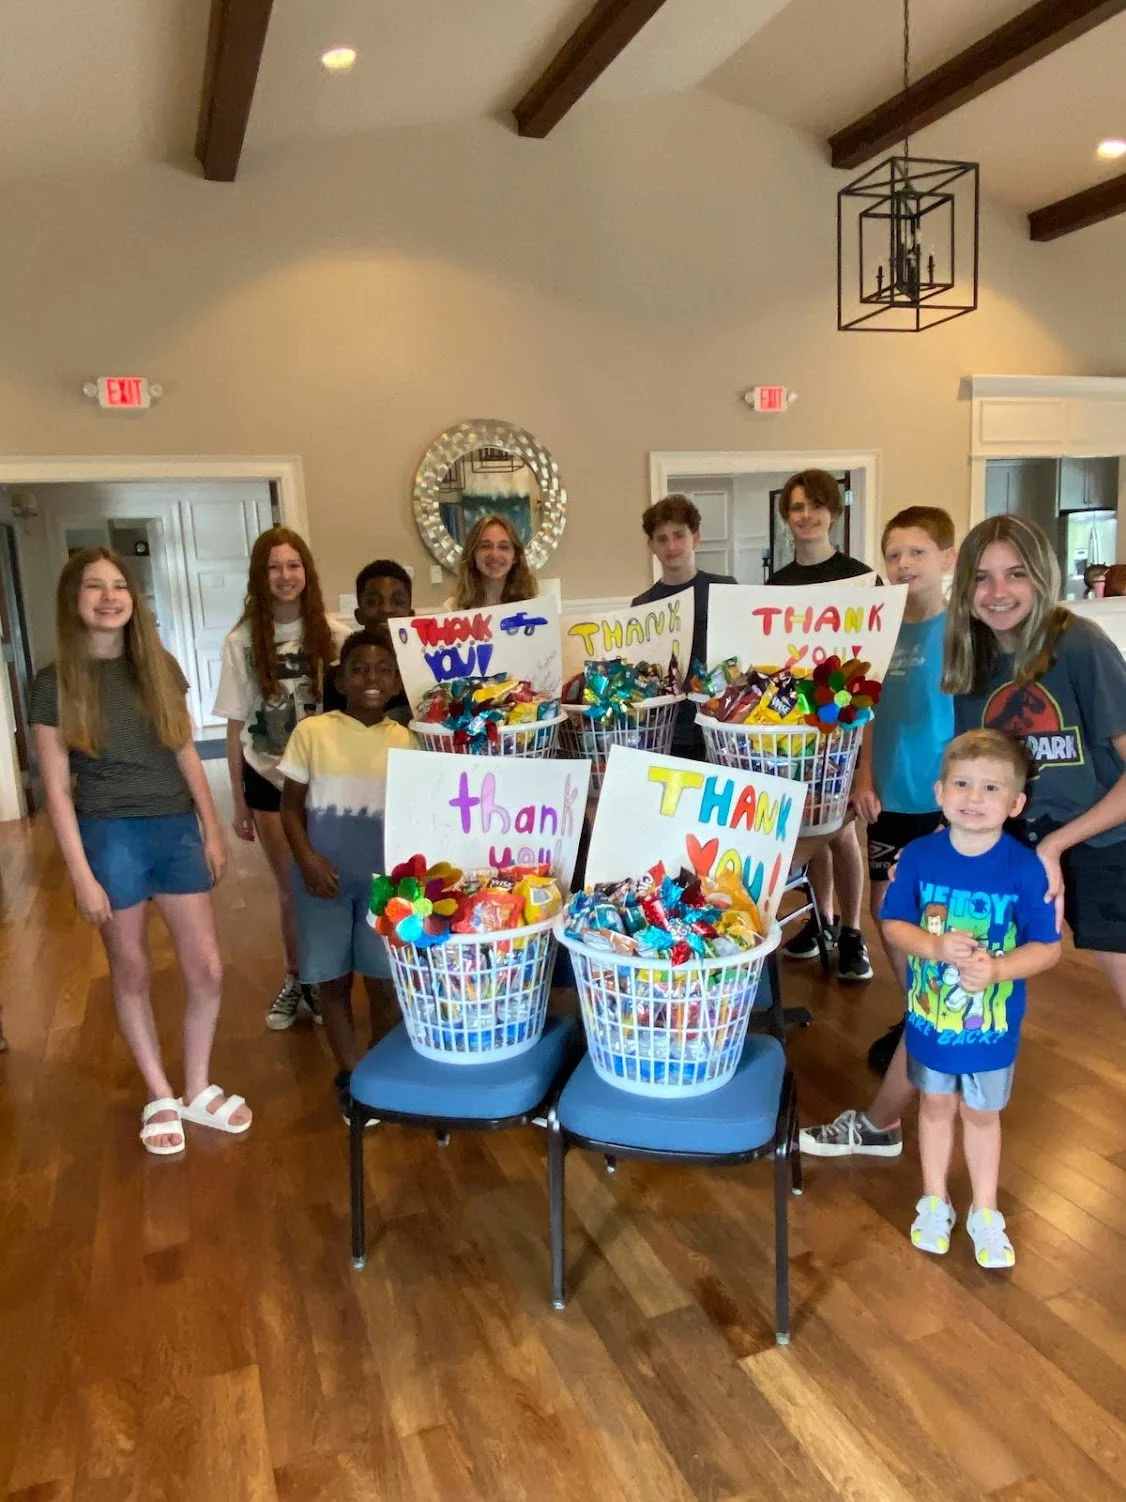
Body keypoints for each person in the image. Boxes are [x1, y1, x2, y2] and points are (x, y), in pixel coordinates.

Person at [800, 512, 1126, 1161]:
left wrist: (1058, 848)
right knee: (939, 990)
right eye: (983, 577)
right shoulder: (971, 660)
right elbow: (981, 772)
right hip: (1010, 848)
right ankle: (882, 1122)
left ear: (1042, 575)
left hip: (1101, 846)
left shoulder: (1080, 645)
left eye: (1015, 574)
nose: (998, 591)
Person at [30, 549, 250, 1156]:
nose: (109, 596)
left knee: (205, 966)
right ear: (74, 599)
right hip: (109, 833)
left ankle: (197, 1087)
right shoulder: (54, 684)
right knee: (130, 969)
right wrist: (81, 876)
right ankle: (160, 1092)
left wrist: (211, 826)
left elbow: (185, 753)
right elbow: (55, 789)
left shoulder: (160, 668)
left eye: (119, 585)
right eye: (95, 587)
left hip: (175, 825)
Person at [802, 506, 956, 1158]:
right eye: (894, 553)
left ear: (947, 558)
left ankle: (940, 1023)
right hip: (887, 794)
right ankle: (920, 1011)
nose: (903, 565)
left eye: (917, 552)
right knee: (891, 910)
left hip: (949, 802)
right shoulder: (881, 626)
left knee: (941, 918)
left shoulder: (964, 629)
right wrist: (862, 776)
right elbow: (862, 712)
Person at [881, 730, 1060, 1267]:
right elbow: (892, 924)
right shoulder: (918, 856)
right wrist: (934, 946)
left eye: (990, 788)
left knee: (983, 1115)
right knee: (935, 1105)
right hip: (931, 1021)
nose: (974, 798)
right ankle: (934, 1199)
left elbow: (1048, 949)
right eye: (961, 783)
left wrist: (1000, 968)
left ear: (1015, 803)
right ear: (939, 792)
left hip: (992, 1027)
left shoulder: (1024, 868)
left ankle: (985, 1210)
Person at [213, 527, 348, 1030]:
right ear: (260, 576)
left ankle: (334, 974)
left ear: (306, 572)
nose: (285, 576)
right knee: (290, 884)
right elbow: (233, 725)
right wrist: (238, 803)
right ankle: (299, 979)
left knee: (333, 878)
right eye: (274, 567)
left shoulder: (334, 635)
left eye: (293, 565)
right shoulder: (241, 641)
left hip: (328, 776)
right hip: (268, 774)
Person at [279, 626, 411, 1120]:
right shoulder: (312, 733)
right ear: (340, 680)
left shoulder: (410, 741)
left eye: (382, 671)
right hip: (322, 881)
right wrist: (308, 860)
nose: (369, 679)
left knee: (382, 981)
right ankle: (350, 1073)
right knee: (332, 980)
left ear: (398, 683)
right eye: (358, 670)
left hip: (384, 886)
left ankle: (378, 1066)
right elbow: (290, 808)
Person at [771, 470, 876, 981]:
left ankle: (853, 932)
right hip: (797, 728)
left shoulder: (861, 579)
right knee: (812, 825)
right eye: (796, 508)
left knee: (843, 834)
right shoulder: (776, 586)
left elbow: (874, 661)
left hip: (847, 722)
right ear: (786, 517)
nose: (806, 516)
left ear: (833, 512)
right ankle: (821, 920)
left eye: (815, 506)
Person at [630, 494, 736, 758]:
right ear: (651, 546)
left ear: (695, 538)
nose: (672, 546)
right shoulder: (643, 605)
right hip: (669, 729)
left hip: (722, 722)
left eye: (679, 535)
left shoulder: (725, 590)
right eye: (662, 539)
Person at [325, 558, 414, 723]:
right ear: (358, 615)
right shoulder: (340, 676)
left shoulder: (428, 672)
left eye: (397, 601)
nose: (386, 609)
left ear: (411, 614)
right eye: (373, 602)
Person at [447, 514, 538, 609]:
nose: (495, 555)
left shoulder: (534, 605)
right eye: (485, 546)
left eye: (504, 547)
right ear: (472, 554)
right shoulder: (453, 608)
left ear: (515, 557)